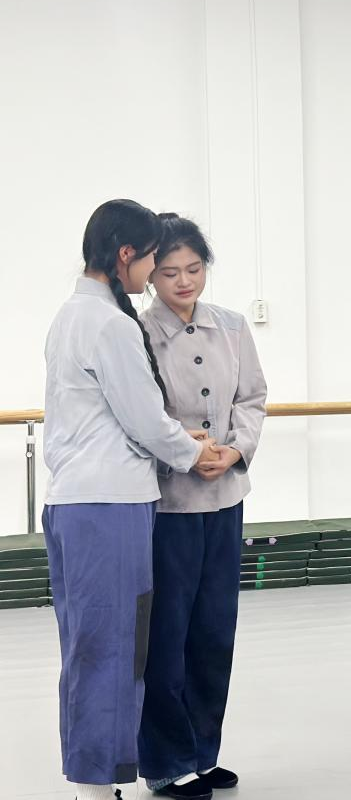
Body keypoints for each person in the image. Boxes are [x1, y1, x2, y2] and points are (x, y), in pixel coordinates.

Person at [42, 199, 217, 800]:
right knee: (114, 648)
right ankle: (96, 787)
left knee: (88, 646)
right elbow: (144, 419)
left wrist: (177, 439)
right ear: (125, 255)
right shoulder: (111, 324)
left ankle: (92, 781)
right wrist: (193, 451)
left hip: (76, 502)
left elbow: (112, 415)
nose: (153, 273)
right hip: (109, 506)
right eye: (150, 260)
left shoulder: (71, 315)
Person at [138, 214, 267, 796]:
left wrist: (236, 449)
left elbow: (253, 397)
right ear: (150, 275)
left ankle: (203, 752)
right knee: (167, 636)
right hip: (169, 504)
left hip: (225, 496)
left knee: (215, 631)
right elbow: (142, 416)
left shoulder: (232, 326)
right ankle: (167, 761)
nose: (184, 282)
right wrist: (186, 454)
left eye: (194, 269)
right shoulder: (138, 333)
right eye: (170, 273)